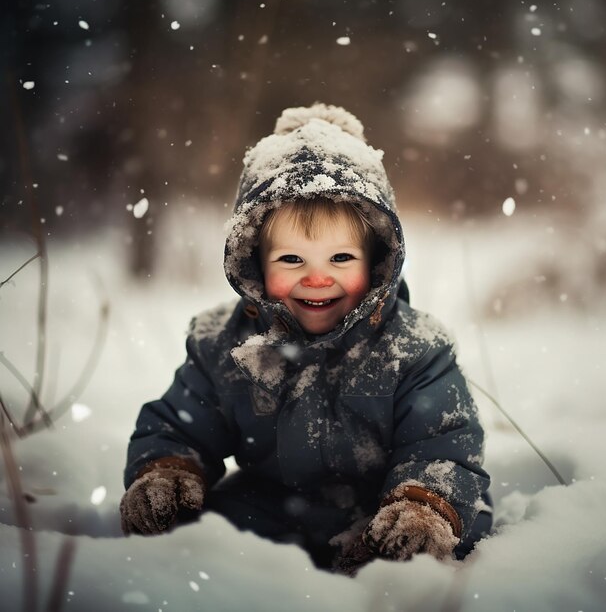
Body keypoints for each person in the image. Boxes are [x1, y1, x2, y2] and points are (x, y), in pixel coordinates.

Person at [120, 104, 492, 574]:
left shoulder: (413, 348)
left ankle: (401, 557)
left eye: (340, 258)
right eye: (292, 260)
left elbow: (444, 444)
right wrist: (168, 470)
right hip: (277, 510)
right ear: (254, 261)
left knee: (450, 537)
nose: (317, 280)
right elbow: (179, 424)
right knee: (203, 536)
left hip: (383, 509)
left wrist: (422, 504)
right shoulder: (224, 345)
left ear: (376, 260)